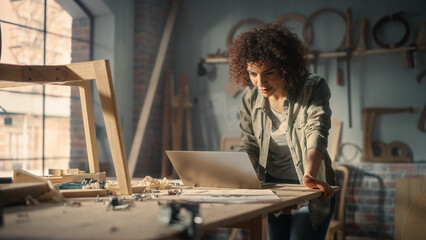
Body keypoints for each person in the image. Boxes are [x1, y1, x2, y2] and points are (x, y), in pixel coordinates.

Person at [227, 24, 336, 240]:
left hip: (309, 186)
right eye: (253, 74)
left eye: (268, 73)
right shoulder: (250, 97)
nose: (260, 82)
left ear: (285, 68)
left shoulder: (313, 87)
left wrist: (309, 175)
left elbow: (317, 131)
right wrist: (238, 177)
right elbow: (249, 144)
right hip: (274, 187)